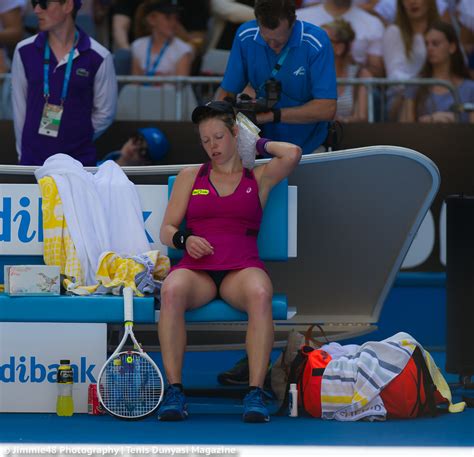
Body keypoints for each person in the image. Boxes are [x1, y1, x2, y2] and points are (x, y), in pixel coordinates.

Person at [157, 100, 302, 423]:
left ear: (236, 133)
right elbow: (166, 230)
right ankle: (175, 390)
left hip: (241, 269)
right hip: (198, 273)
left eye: (219, 137)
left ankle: (253, 391)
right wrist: (184, 240)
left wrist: (257, 143)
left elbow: (292, 153)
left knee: (261, 294)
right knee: (170, 290)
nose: (212, 146)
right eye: (205, 140)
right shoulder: (189, 176)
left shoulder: (259, 175)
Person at [216, 0, 337, 155]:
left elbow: (327, 108)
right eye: (266, 39)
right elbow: (226, 94)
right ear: (257, 22)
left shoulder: (316, 41)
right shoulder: (245, 35)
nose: (272, 45)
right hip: (261, 146)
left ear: (293, 21)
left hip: (310, 146)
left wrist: (273, 116)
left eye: (279, 40)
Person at [11, 0, 117, 166]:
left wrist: (77, 133)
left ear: (68, 6)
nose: (37, 10)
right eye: (34, 3)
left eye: (44, 3)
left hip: (79, 163)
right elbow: (19, 109)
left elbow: (105, 113)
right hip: (33, 161)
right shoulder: (24, 50)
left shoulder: (99, 56)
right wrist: (22, 155)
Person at [400, 21, 474, 123]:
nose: (429, 48)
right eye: (427, 44)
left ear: (452, 47)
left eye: (435, 44)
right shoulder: (416, 84)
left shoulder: (470, 88)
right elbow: (405, 129)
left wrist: (454, 121)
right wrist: (430, 120)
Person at [382, 0, 440, 120]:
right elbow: (394, 76)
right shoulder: (394, 31)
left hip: (437, 90)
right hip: (401, 95)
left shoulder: (442, 30)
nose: (413, 2)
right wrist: (419, 83)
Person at [297, 0, 386, 77]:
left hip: (354, 91)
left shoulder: (373, 23)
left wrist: (352, 67)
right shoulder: (299, 19)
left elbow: (376, 69)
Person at [323, 18, 370, 122]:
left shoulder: (360, 74)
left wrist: (339, 121)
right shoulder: (310, 73)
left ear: (339, 48)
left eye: (323, 40)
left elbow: (361, 118)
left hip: (349, 135)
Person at [131, 0, 193, 77]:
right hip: (144, 89)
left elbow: (180, 86)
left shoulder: (183, 49)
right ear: (152, 19)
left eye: (176, 18)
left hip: (171, 89)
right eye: (168, 18)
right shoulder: (138, 45)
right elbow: (135, 85)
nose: (173, 23)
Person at [97, 127, 170, 166]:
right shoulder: (93, 161)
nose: (134, 148)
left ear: (147, 163)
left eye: (142, 152)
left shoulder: (138, 187)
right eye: (137, 140)